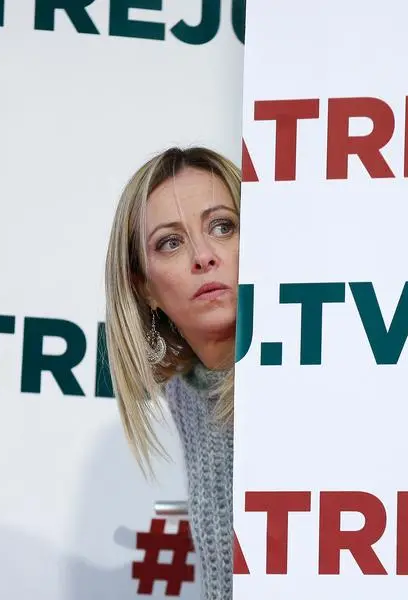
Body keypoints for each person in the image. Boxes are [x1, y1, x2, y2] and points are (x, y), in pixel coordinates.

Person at [103, 146, 239, 600]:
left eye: (223, 227)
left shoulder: (309, 376)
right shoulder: (185, 393)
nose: (203, 256)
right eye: (170, 242)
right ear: (144, 287)